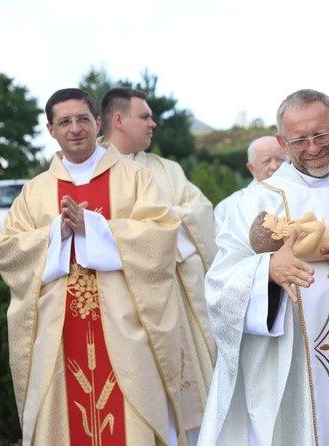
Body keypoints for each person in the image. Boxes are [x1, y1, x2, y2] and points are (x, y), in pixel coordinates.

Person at [0, 88, 187, 445]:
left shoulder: (135, 179)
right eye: (64, 121)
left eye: (83, 119)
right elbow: (8, 251)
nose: (75, 128)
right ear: (51, 129)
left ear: (97, 123)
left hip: (124, 329)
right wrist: (56, 233)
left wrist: (94, 228)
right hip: (59, 332)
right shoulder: (35, 191)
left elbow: (163, 235)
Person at [198, 89, 329, 446]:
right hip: (288, 365)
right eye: (299, 140)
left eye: (321, 135)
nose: (313, 148)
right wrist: (267, 268)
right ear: (281, 142)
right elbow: (220, 284)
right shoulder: (255, 201)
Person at [99, 87, 218, 444]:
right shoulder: (93, 171)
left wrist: (153, 229)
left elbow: (200, 213)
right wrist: (156, 228)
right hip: (119, 305)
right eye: (145, 116)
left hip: (172, 302)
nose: (153, 123)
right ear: (118, 120)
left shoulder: (168, 171)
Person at [213, 136, 288, 233]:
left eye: (280, 160)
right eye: (266, 161)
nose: (274, 166)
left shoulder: (301, 194)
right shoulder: (228, 207)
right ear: (251, 168)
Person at [248, 209, 329, 261]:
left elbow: (311, 216)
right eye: (277, 221)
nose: (282, 217)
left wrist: (300, 222)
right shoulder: (297, 250)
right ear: (276, 235)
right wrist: (301, 227)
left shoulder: (297, 234)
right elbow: (318, 228)